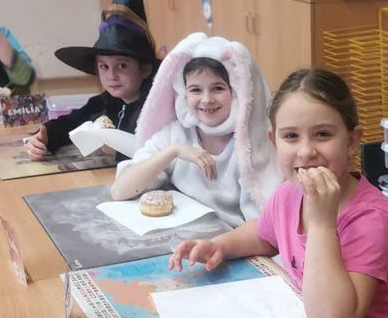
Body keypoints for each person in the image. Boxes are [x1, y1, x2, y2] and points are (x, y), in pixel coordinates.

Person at [168, 68, 388, 318]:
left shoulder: (371, 218)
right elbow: (263, 235)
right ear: (273, 141)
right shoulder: (289, 193)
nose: (306, 152)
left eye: (323, 134)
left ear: (351, 141)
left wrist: (321, 222)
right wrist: (220, 245)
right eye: (290, 136)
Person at [111, 32, 281, 226]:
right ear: (183, 93)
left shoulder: (250, 146)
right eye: (195, 90)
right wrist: (173, 152)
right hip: (178, 241)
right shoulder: (177, 133)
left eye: (218, 88)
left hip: (229, 244)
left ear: (237, 91)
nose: (206, 99)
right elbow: (120, 191)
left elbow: (264, 225)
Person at [26, 0, 156, 161]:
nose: (111, 75)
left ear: (145, 69)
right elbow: (72, 122)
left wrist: (117, 151)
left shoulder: (156, 106)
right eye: (104, 66)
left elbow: (159, 151)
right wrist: (44, 137)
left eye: (122, 65)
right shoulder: (107, 102)